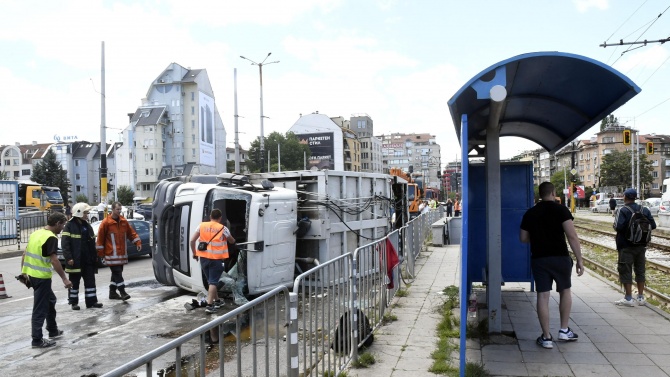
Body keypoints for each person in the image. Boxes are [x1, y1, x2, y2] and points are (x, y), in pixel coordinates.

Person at [519, 181, 583, 349]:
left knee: (543, 296)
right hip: (560, 258)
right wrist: (579, 260)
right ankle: (564, 330)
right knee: (565, 291)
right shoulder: (562, 210)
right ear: (553, 192)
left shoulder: (531, 213)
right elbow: (572, 236)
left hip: (540, 258)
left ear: (540, 194)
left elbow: (523, 238)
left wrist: (539, 236)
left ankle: (546, 337)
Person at [20, 212, 72, 348]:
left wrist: (24, 272)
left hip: (32, 275)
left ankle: (53, 330)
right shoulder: (50, 238)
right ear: (57, 223)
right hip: (41, 278)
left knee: (50, 301)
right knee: (40, 309)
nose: (63, 228)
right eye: (63, 224)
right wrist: (65, 279)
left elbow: (24, 254)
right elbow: (54, 260)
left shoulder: (36, 233)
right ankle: (37, 340)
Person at [613, 188, 656, 307]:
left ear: (625, 197)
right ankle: (641, 297)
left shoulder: (623, 210)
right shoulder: (645, 210)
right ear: (635, 198)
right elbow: (653, 225)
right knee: (640, 270)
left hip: (625, 246)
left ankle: (628, 298)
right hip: (641, 245)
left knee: (625, 270)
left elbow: (617, 227)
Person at [190, 209, 236, 315]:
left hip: (203, 258)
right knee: (213, 282)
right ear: (220, 218)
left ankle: (217, 301)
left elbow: (192, 241)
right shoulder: (222, 228)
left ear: (210, 216)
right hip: (216, 259)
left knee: (211, 281)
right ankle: (210, 306)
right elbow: (231, 240)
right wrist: (234, 242)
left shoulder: (201, 226)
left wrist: (194, 253)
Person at [96, 201, 141, 301]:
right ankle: (122, 291)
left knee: (116, 273)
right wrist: (100, 253)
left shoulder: (123, 221)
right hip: (111, 254)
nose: (119, 211)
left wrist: (137, 243)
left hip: (121, 255)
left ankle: (112, 292)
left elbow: (131, 234)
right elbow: (100, 238)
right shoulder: (106, 223)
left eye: (120, 209)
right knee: (117, 273)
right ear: (112, 209)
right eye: (117, 209)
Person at [62, 203, 102, 310]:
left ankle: (92, 302)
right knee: (74, 283)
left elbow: (92, 243)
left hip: (88, 259)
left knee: (90, 281)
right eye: (85, 213)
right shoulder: (69, 226)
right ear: (78, 212)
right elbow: (65, 244)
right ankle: (73, 303)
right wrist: (69, 258)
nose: (87, 215)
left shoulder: (87, 226)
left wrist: (95, 256)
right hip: (75, 260)